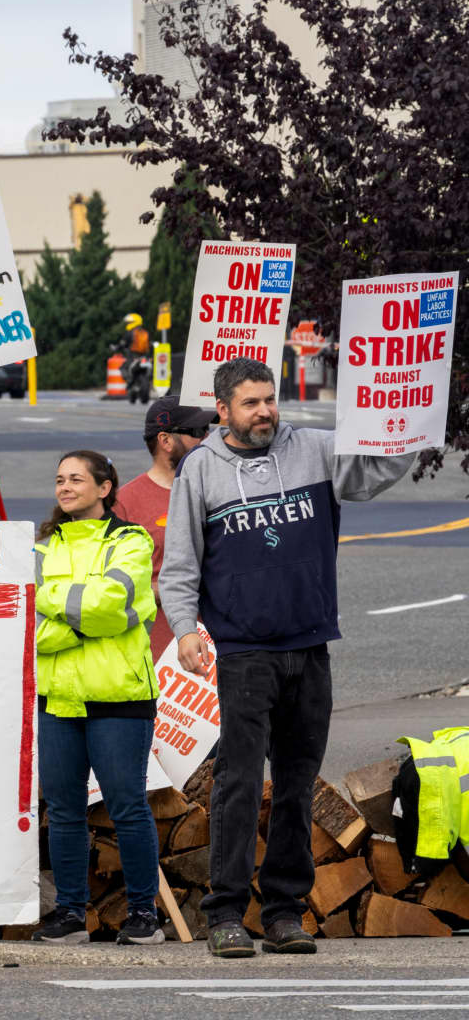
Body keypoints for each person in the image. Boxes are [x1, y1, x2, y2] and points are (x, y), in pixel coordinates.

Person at [162, 357, 414, 958]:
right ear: (222, 409)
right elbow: (179, 566)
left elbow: (374, 471)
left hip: (310, 646)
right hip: (245, 652)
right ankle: (224, 912)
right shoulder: (200, 471)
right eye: (251, 403)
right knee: (240, 784)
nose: (265, 411)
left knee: (297, 787)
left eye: (269, 399)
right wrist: (185, 629)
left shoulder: (316, 450)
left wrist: (407, 430)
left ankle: (283, 912)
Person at [29, 451, 163, 947]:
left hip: (118, 697)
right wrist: (83, 625)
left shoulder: (132, 540)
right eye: (59, 479)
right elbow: (30, 625)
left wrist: (55, 606)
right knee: (63, 811)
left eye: (76, 479)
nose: (64, 487)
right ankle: (69, 913)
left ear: (106, 488)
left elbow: (115, 606)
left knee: (127, 806)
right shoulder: (42, 545)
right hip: (58, 697)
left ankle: (145, 915)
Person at [111, 395, 213, 658]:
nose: (206, 439)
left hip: (221, 645)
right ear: (166, 441)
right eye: (197, 432)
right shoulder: (125, 504)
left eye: (208, 430)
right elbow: (111, 585)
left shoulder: (220, 490)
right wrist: (175, 589)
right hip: (157, 653)